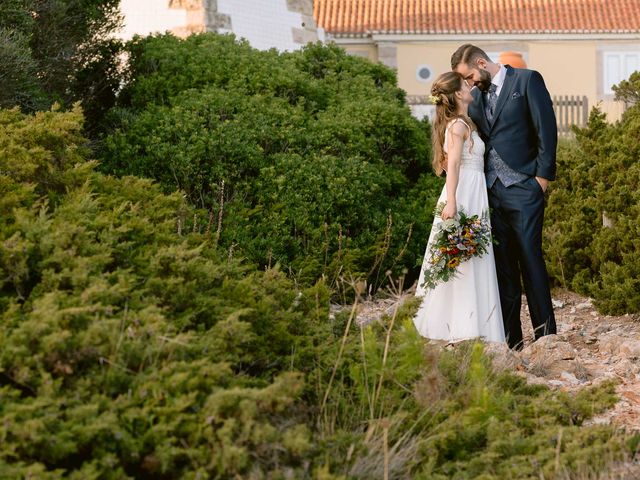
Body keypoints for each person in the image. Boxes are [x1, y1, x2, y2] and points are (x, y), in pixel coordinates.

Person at [451, 44, 557, 350]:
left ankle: (546, 336)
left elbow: (546, 130)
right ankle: (513, 342)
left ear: (482, 63)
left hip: (525, 187)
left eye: (470, 75)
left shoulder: (526, 81)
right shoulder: (475, 98)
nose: (469, 82)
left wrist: (541, 180)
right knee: (503, 267)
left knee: (530, 259)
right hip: (491, 193)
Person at [413, 71, 505, 344]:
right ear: (456, 94)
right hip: (463, 192)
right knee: (461, 257)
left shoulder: (466, 123)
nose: (470, 86)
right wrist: (452, 201)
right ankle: (460, 326)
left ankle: (475, 322)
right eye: (465, 84)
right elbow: (451, 165)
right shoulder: (457, 126)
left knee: (472, 256)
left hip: (474, 191)